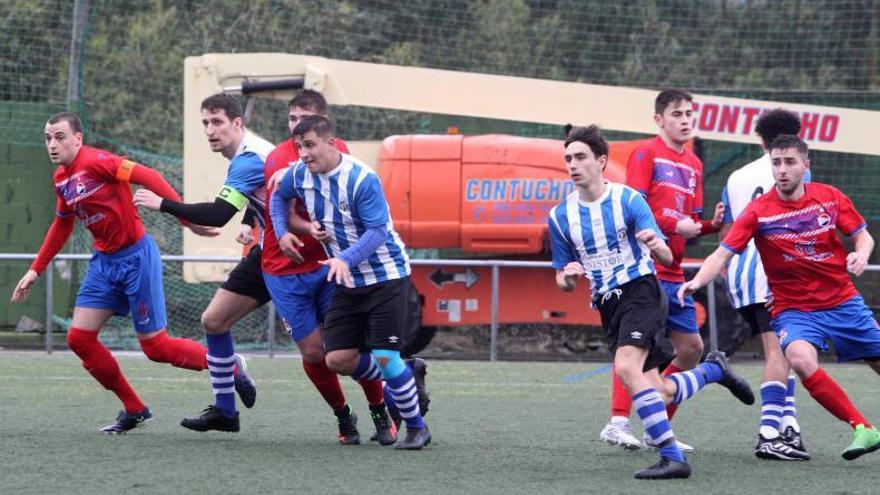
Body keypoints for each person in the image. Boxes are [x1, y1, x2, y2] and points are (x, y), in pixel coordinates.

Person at [10, 111, 240, 434]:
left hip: (136, 258)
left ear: (78, 139)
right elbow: (62, 225)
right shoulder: (61, 178)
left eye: (59, 137)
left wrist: (186, 219)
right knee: (79, 338)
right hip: (104, 264)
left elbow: (149, 175)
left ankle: (230, 368)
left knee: (156, 348)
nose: (52, 144)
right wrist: (36, 269)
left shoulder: (99, 161)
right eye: (48, 138)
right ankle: (134, 409)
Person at [549, 125, 754, 479]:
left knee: (626, 367)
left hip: (640, 291)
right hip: (608, 304)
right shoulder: (560, 216)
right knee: (658, 391)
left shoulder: (628, 200)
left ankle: (672, 457)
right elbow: (561, 278)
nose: (573, 164)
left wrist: (656, 244)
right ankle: (712, 371)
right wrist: (567, 277)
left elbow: (666, 257)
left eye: (580, 157)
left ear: (601, 161)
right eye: (568, 158)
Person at [679, 134, 880, 461]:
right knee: (799, 359)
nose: (782, 169)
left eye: (790, 162)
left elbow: (863, 236)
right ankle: (862, 428)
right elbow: (722, 253)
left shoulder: (829, 197)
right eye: (776, 163)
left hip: (842, 303)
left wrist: (861, 254)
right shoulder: (758, 212)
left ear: (805, 165)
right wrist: (697, 281)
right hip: (793, 309)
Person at [259, 90, 412, 445]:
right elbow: (278, 204)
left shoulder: (343, 158)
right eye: (292, 119)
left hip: (332, 266)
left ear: (326, 130)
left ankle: (381, 407)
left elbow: (361, 217)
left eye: (305, 119)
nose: (297, 127)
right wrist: (286, 232)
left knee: (351, 349)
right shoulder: (278, 160)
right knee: (315, 353)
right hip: (284, 269)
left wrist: (342, 251)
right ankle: (344, 415)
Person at [133, 93, 274, 432]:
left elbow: (218, 214)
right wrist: (250, 221)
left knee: (327, 351)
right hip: (268, 252)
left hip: (297, 257)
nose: (210, 130)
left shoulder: (248, 159)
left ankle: (386, 395)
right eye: (206, 123)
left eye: (217, 122)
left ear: (237, 124)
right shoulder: (250, 155)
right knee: (214, 321)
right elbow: (263, 195)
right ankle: (225, 411)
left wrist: (163, 204)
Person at [601, 89, 725, 452]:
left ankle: (658, 428)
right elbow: (633, 208)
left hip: (674, 272)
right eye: (677, 114)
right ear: (659, 120)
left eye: (689, 113)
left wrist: (712, 226)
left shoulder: (695, 164)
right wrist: (674, 225)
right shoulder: (646, 153)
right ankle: (617, 422)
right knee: (634, 347)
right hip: (644, 270)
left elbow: (692, 223)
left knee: (691, 348)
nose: (685, 120)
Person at [719, 109, 808, 460]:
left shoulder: (736, 176)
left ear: (760, 139)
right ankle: (769, 434)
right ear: (796, 137)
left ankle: (789, 426)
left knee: (787, 351)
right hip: (773, 274)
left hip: (740, 276)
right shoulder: (795, 170)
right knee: (779, 352)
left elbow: (728, 232)